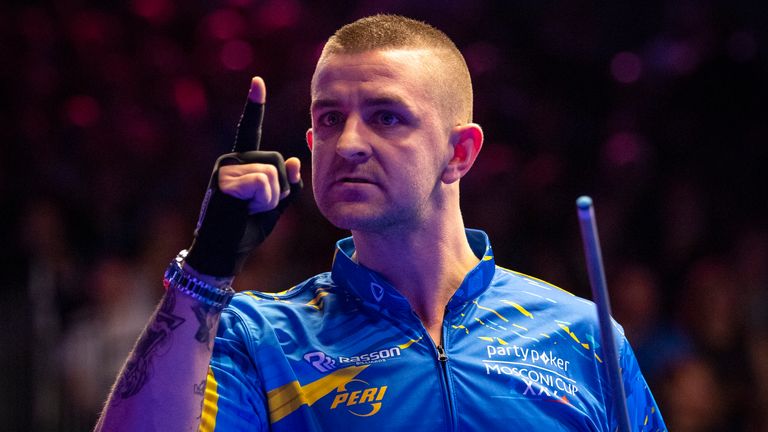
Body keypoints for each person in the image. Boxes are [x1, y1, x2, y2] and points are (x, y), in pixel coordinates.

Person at [96, 15, 666, 431]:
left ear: (459, 153)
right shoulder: (258, 336)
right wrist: (207, 267)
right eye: (329, 118)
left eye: (386, 117)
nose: (348, 144)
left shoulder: (585, 336)